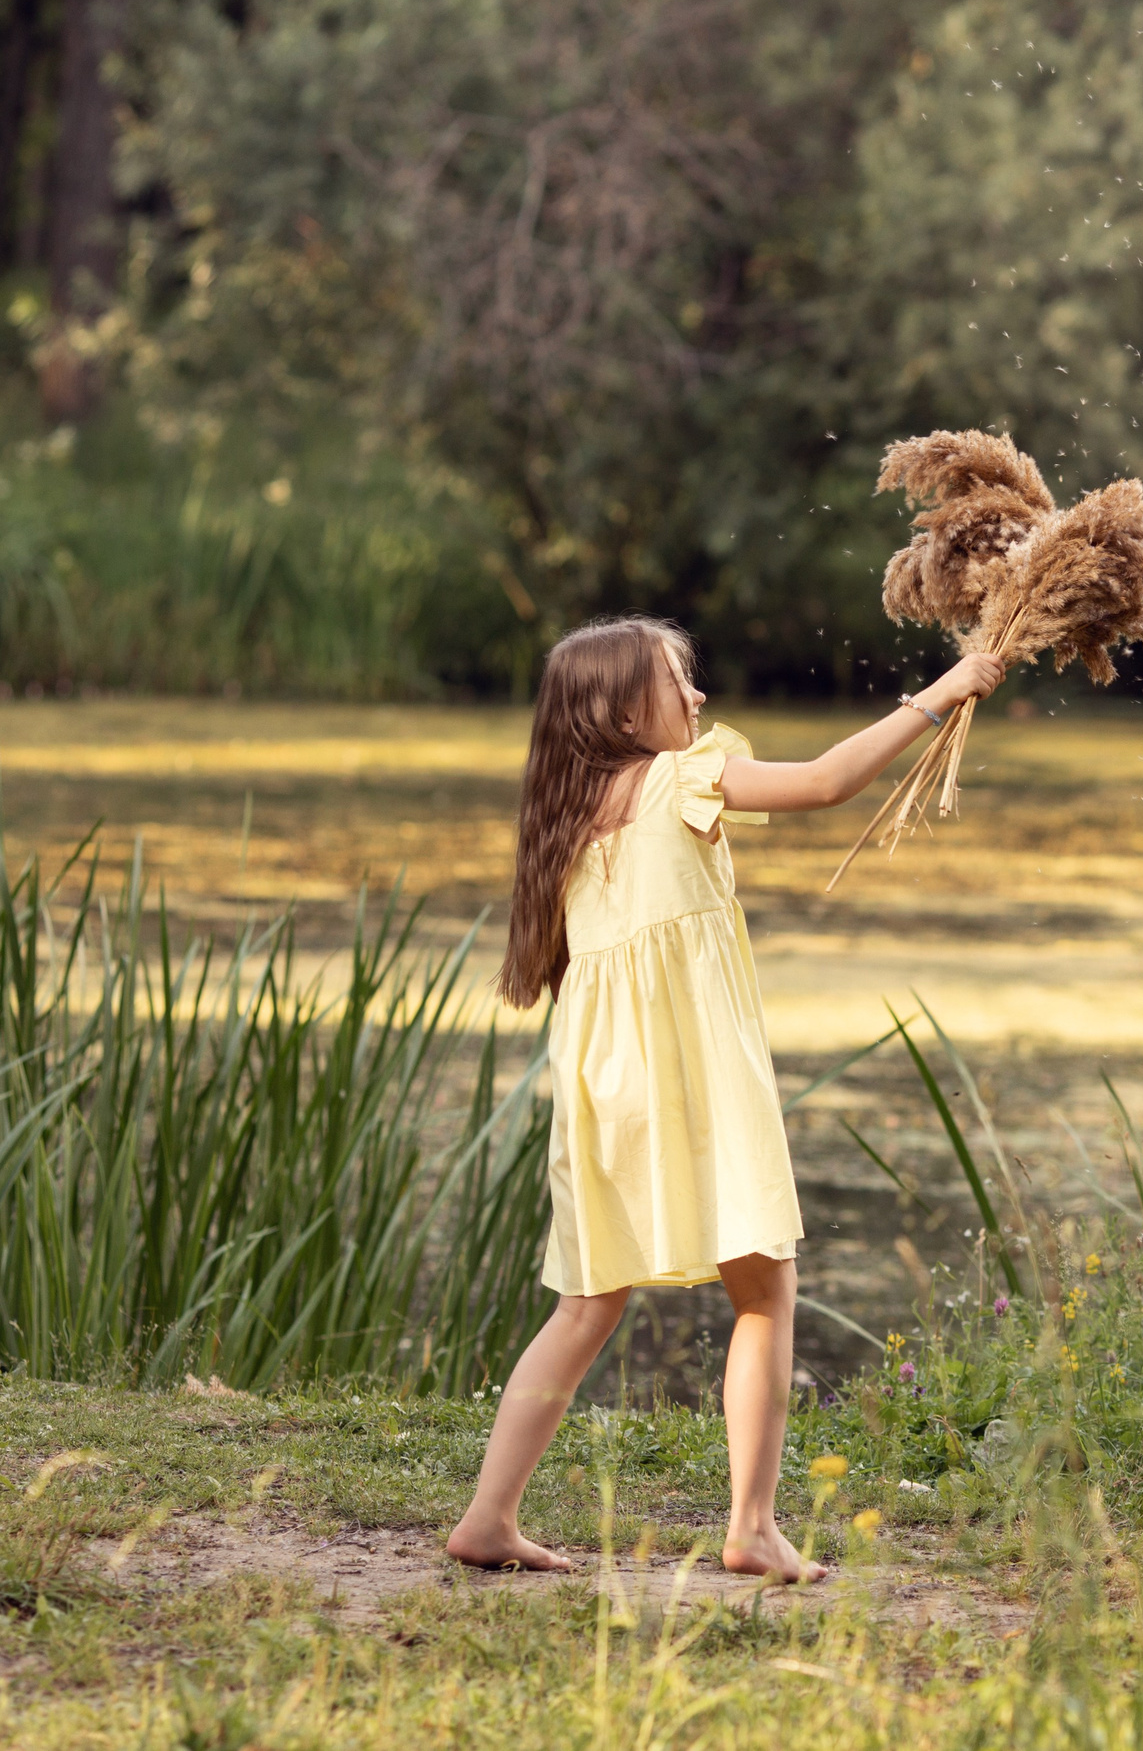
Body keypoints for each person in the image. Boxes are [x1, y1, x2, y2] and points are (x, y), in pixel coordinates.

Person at [446, 617, 1004, 1578]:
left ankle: (488, 1516)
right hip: (694, 1070)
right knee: (764, 1289)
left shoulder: (566, 819)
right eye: (680, 681)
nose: (699, 697)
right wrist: (942, 692)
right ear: (626, 710)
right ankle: (750, 1527)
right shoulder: (685, 777)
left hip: (603, 1086)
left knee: (585, 1304)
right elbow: (826, 781)